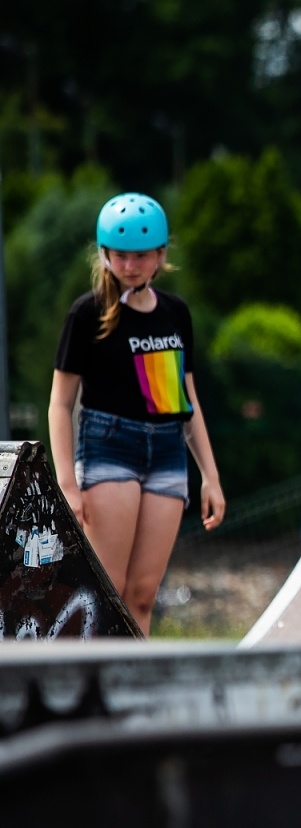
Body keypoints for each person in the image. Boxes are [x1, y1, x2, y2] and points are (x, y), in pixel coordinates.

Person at [49, 193, 226, 635]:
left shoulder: (175, 314)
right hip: (109, 446)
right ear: (105, 255)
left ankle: (131, 693)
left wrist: (211, 476)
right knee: (108, 590)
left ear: (161, 255)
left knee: (144, 594)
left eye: (142, 255)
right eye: (121, 255)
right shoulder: (87, 314)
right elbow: (60, 403)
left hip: (167, 450)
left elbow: (185, 400)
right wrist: (67, 484)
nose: (131, 265)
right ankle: (94, 693)